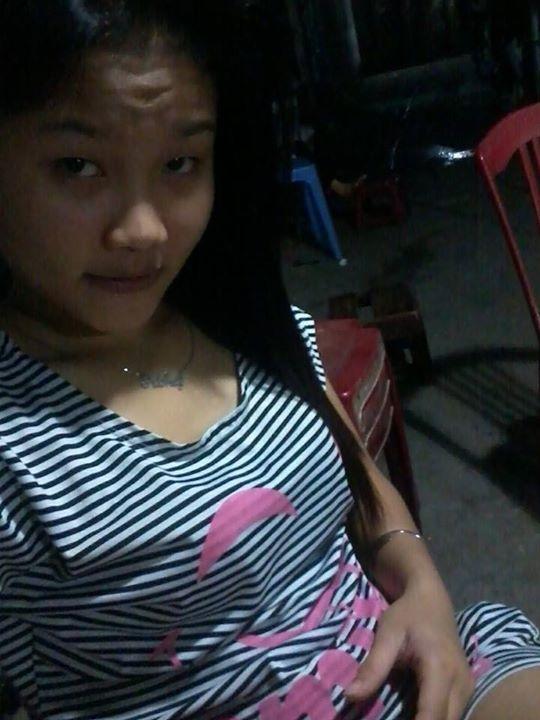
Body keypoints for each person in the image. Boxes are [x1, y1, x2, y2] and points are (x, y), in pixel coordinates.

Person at [0, 3, 538, 719]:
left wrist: (422, 587)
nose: (142, 229)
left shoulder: (250, 321)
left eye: (179, 164)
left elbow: (358, 477)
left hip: (421, 672)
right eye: (78, 166)